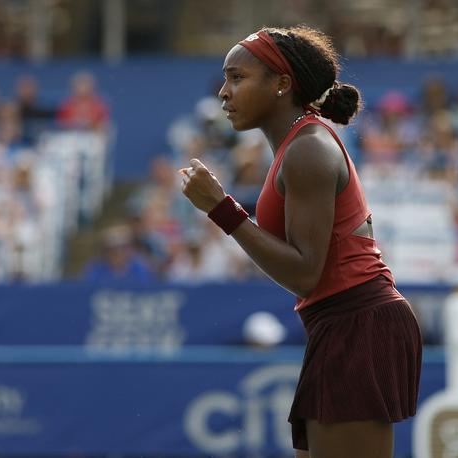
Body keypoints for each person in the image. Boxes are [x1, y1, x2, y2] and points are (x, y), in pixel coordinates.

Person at [180, 26, 422, 458]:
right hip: (343, 322)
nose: (223, 92)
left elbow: (306, 273)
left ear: (282, 84)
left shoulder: (308, 149)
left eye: (237, 78)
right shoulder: (298, 146)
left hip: (357, 321)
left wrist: (222, 209)